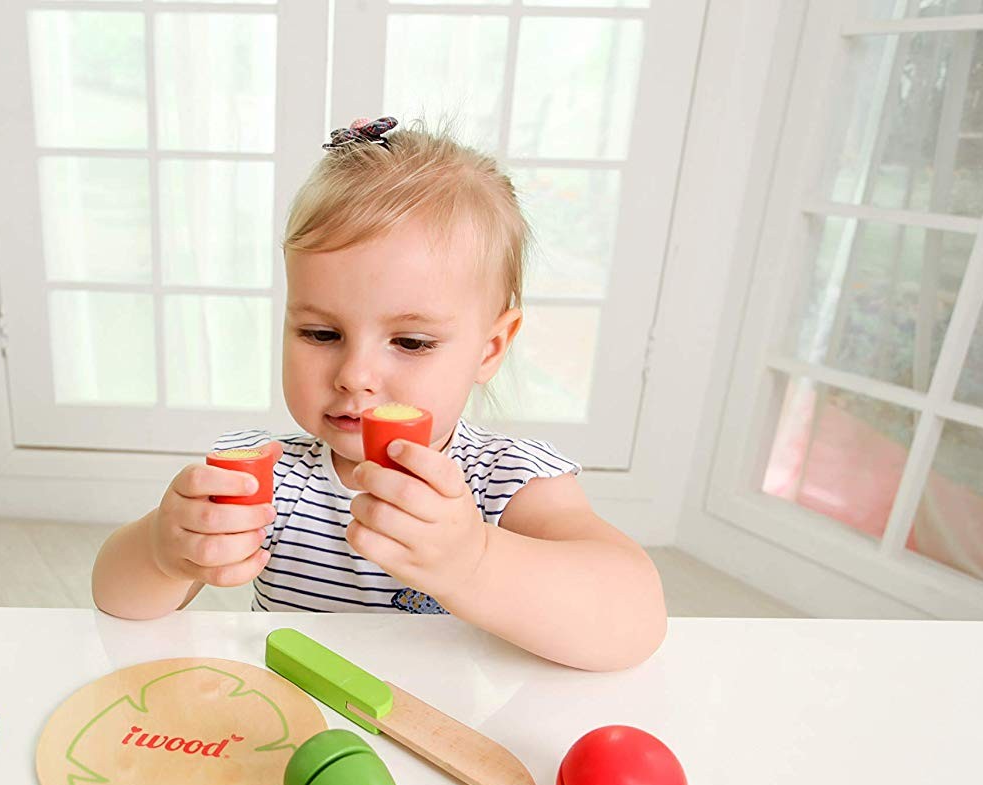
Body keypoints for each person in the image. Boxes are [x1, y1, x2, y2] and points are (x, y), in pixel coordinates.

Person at [93, 117, 665, 671]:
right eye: (321, 334)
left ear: (490, 348)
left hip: (443, 737)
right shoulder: (270, 476)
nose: (355, 375)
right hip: (296, 733)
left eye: (411, 342)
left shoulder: (507, 482)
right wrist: (163, 551)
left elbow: (634, 619)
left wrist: (475, 561)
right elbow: (118, 603)